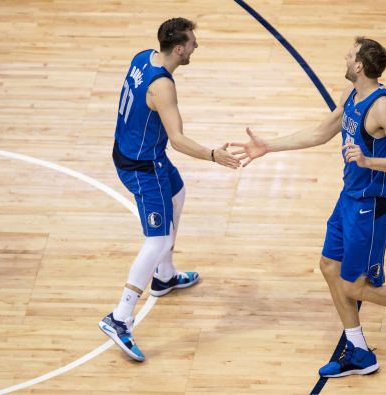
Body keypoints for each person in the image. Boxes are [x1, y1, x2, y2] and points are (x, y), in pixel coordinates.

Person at [231, 37, 386, 377]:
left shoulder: (382, 107)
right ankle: (359, 351)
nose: (345, 56)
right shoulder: (351, 96)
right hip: (350, 198)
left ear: (359, 67)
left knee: (355, 285)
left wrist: (367, 160)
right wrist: (269, 146)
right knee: (329, 267)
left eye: (350, 54)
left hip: (373, 204)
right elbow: (320, 132)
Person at [98, 17, 240, 362]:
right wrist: (212, 155)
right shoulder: (163, 85)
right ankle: (120, 317)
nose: (196, 46)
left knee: (178, 195)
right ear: (179, 48)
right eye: (192, 42)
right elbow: (177, 139)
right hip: (143, 167)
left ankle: (164, 277)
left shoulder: (143, 56)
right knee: (158, 239)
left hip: (138, 152)